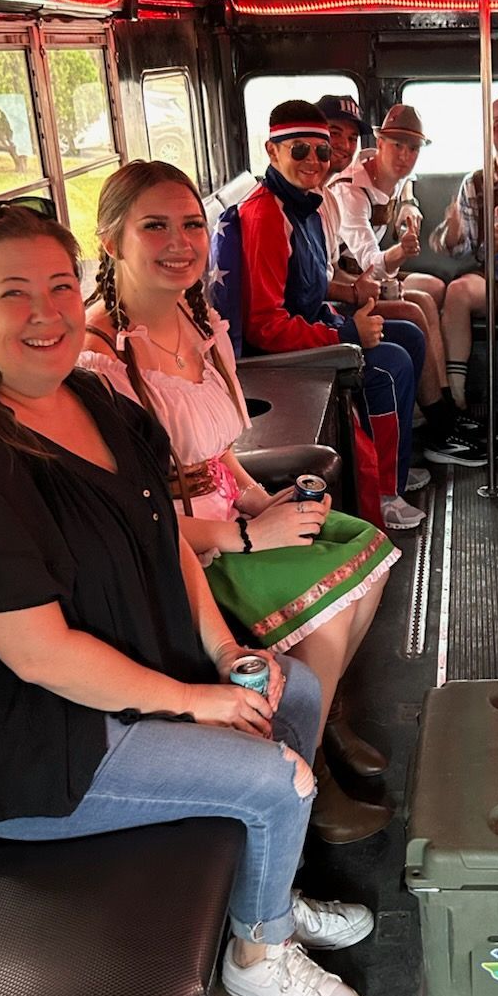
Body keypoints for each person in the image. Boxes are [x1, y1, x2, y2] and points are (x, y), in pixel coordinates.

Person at [0, 202, 372, 996]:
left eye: (62, 287)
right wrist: (194, 701)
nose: (46, 314)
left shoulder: (98, 404)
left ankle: (272, 888)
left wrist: (222, 650)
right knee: (277, 779)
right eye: (13, 294)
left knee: (292, 695)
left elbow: (164, 534)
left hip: (117, 679)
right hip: (23, 742)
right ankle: (259, 951)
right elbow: (40, 658)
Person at [82, 160, 396, 844]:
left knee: (368, 556)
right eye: (154, 226)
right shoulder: (99, 358)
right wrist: (248, 535)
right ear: (111, 241)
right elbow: (138, 520)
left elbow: (217, 450)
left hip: (230, 514)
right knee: (327, 617)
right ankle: (302, 761)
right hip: (182, 550)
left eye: (191, 224)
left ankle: (326, 716)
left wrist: (258, 498)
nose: (179, 241)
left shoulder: (199, 323)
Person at [214, 100, 428, 532]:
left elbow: (310, 279)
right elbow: (264, 326)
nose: (313, 161)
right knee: (390, 366)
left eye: (322, 151)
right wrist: (348, 332)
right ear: (272, 151)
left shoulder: (307, 204)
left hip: (309, 329)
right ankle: (385, 493)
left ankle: (396, 466)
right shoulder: (267, 216)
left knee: (408, 334)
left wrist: (349, 292)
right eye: (299, 151)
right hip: (274, 356)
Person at [325, 101, 466, 451]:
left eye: (413, 147)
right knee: (413, 310)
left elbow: (407, 184)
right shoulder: (348, 192)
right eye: (397, 145)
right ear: (382, 143)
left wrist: (409, 206)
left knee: (429, 296)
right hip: (344, 284)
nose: (404, 156)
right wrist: (401, 251)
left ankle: (443, 407)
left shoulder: (381, 165)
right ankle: (439, 426)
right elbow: (371, 263)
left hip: (363, 282)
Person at [433, 95, 498, 416]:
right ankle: (456, 393)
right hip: (492, 276)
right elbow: (465, 248)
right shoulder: (474, 183)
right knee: (458, 290)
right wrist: (454, 233)